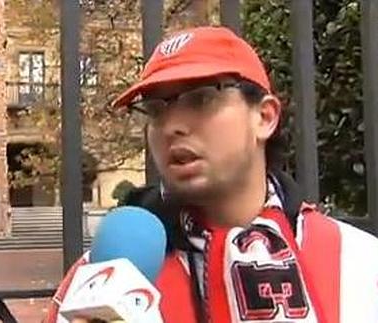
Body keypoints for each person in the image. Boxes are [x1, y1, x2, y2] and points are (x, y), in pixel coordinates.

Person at [44, 26, 378, 323]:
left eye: (201, 99)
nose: (172, 126)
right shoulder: (100, 279)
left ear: (264, 117)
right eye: (156, 109)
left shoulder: (358, 262)